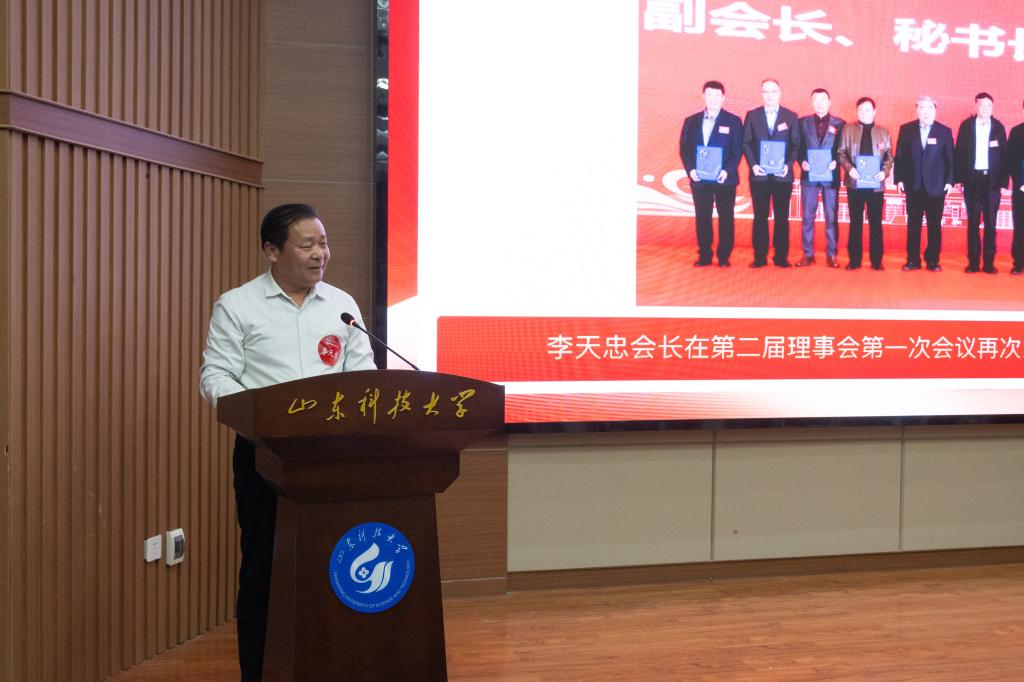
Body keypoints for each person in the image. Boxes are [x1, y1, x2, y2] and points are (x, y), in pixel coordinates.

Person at [199, 203, 376, 681]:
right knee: (265, 570)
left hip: (333, 459)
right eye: (307, 244)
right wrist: (256, 418)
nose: (321, 254)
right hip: (265, 457)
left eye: (324, 243)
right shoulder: (238, 305)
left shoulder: (341, 306)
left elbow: (363, 377)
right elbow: (215, 375)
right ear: (272, 251)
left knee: (335, 568)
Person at [679, 80, 744, 267]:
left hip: (725, 179)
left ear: (723, 98)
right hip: (700, 178)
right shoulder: (691, 121)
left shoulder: (733, 121)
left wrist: (727, 170)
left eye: (717, 96)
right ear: (703, 96)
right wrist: (691, 170)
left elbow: (737, 150)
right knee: (702, 217)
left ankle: (724, 256)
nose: (713, 99)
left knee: (726, 218)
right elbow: (684, 149)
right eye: (709, 95)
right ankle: (704, 255)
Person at [742, 78, 801, 267]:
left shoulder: (790, 116)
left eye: (773, 91)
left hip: (782, 176)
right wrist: (753, 165)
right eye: (766, 91)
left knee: (782, 218)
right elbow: (746, 142)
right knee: (760, 217)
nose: (770, 95)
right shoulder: (752, 115)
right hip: (759, 175)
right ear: (762, 94)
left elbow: (796, 144)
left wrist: (788, 165)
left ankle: (781, 257)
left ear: (779, 93)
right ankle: (759, 257)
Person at [893, 96, 954, 272]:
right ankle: (913, 260)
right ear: (916, 110)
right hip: (913, 185)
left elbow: (951, 159)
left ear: (935, 111)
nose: (926, 111)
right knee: (913, 224)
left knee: (934, 225)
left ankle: (933, 260)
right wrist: (899, 179)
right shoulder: (906, 129)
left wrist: (949, 181)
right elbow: (900, 157)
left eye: (929, 108)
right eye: (922, 108)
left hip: (937, 186)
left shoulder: (944, 131)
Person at [954, 92, 1009, 273]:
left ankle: (989, 263)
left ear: (992, 108)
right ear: (975, 106)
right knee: (973, 222)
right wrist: (958, 178)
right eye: (981, 105)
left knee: (991, 223)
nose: (985, 108)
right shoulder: (966, 126)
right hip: (972, 179)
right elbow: (959, 152)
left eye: (988, 105)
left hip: (992, 182)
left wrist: (1003, 183)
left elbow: (1005, 157)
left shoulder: (998, 127)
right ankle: (973, 262)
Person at [837, 97, 893, 270]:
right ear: (857, 111)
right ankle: (854, 260)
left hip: (876, 185)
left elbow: (889, 157)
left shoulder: (883, 132)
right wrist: (849, 169)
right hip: (855, 183)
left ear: (874, 112)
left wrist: (884, 172)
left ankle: (877, 261)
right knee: (855, 222)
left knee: (876, 223)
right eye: (861, 110)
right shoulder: (848, 129)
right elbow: (841, 153)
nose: (864, 113)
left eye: (868, 109)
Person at [795, 88, 844, 268]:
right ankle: (808, 254)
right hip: (809, 176)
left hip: (830, 178)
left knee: (831, 217)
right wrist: (802, 161)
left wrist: (836, 162)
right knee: (808, 216)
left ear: (829, 102)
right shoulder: (802, 123)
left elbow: (843, 149)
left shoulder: (840, 124)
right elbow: (797, 147)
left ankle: (832, 254)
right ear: (811, 102)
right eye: (815, 99)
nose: (819, 103)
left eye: (823, 99)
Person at [1009, 99, 1024, 275]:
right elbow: (1011, 160)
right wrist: (1020, 183)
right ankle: (1019, 262)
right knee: (1020, 227)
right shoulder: (1017, 132)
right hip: (1022, 189)